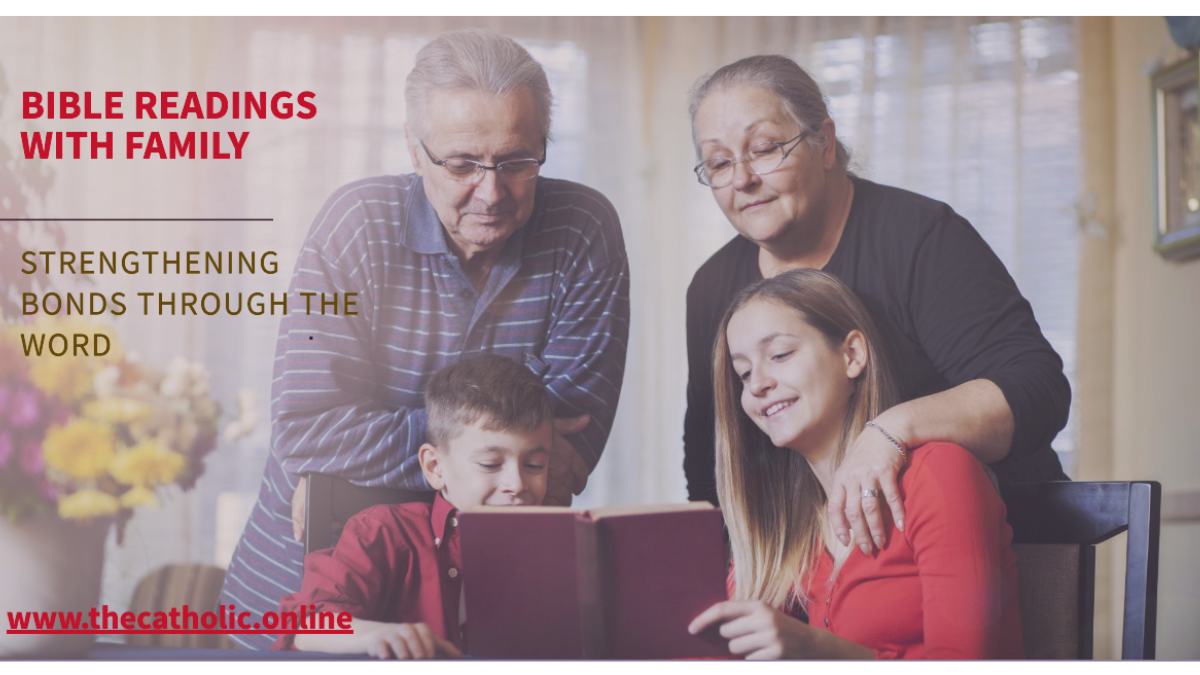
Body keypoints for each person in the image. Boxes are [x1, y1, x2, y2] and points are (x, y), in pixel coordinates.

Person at [221, 29, 630, 649]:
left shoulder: (583, 229)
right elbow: (305, 430)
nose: (491, 192)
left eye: (517, 162)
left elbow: (564, 452)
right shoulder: (356, 224)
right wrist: (485, 442)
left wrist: (344, 482)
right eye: (462, 164)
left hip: (484, 613)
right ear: (416, 151)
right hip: (307, 607)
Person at [682, 55, 1070, 558]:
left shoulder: (921, 238)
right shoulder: (713, 287)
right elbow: (710, 458)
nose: (742, 179)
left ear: (824, 144)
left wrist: (890, 432)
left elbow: (1036, 390)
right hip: (817, 564)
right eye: (718, 162)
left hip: (991, 548)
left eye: (764, 149)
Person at [689, 269, 1023, 660]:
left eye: (779, 355)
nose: (757, 383)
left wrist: (814, 648)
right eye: (743, 373)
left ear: (852, 355)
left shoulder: (939, 474)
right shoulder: (789, 528)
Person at [273, 355, 553, 658]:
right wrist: (381, 634)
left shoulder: (556, 551)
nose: (518, 484)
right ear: (434, 467)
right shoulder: (382, 532)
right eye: (490, 464)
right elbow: (310, 625)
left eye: (535, 465)